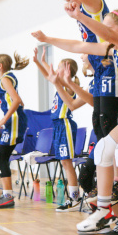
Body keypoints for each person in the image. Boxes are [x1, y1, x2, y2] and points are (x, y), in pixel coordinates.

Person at [32, 7, 118, 235]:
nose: (103, 33)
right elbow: (79, 46)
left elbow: (100, 38)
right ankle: (103, 211)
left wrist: (80, 17)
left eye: (108, 27)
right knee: (104, 148)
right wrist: (48, 39)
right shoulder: (111, 49)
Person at [27, 0, 118, 149]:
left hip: (110, 65)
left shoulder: (93, 3)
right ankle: (111, 176)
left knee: (107, 128)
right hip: (98, 67)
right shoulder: (79, 7)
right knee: (99, 128)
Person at [33, 47, 88, 212]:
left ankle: (75, 199)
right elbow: (47, 76)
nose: (55, 71)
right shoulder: (60, 84)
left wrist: (43, 64)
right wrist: (38, 61)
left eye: (58, 68)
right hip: (57, 125)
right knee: (64, 162)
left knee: (67, 162)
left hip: (65, 124)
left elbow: (57, 80)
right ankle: (74, 198)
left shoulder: (70, 86)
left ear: (67, 71)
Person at [0, 53, 29, 209]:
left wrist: (4, 119)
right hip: (15, 121)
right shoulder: (7, 78)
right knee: (0, 156)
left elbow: (17, 100)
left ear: (0, 65)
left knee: (1, 157)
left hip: (13, 122)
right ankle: (7, 195)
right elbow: (19, 101)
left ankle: (8, 196)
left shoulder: (5, 78)